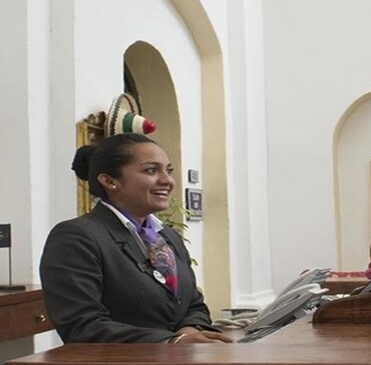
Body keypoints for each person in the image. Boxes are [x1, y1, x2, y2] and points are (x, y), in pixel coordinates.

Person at [40, 133, 231, 344]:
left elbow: (194, 305)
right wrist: (170, 342)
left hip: (179, 361)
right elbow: (81, 325)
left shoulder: (168, 236)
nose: (167, 180)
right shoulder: (77, 237)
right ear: (109, 181)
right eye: (151, 170)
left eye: (168, 171)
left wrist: (190, 331)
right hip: (119, 364)